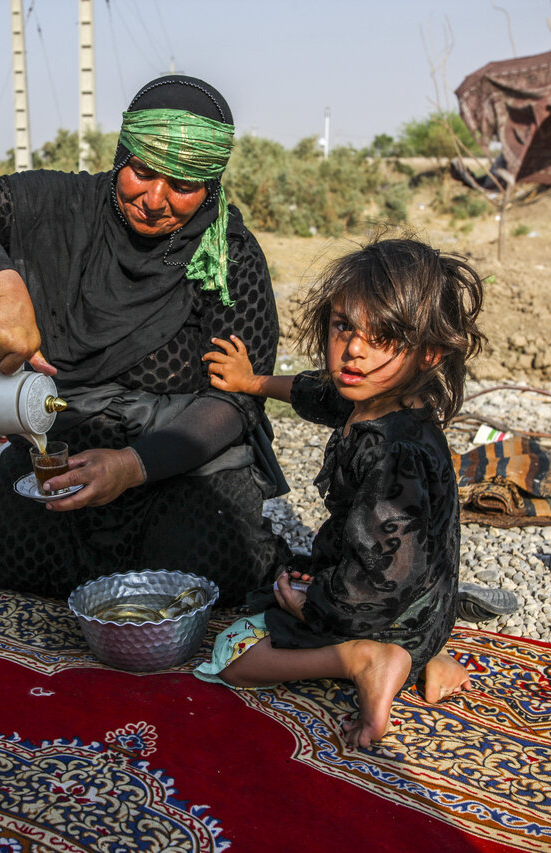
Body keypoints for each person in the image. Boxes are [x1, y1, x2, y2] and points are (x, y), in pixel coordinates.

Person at [0, 75, 289, 606]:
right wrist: (7, 290)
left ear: (211, 184)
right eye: (141, 172)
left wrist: (133, 466)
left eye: (182, 186)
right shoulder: (64, 205)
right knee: (13, 556)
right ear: (123, 154)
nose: (155, 199)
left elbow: (234, 401)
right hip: (66, 440)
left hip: (177, 456)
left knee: (205, 568)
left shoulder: (229, 257)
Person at [194, 237, 485, 749]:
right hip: (425, 603)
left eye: (384, 337)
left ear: (429, 353)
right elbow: (311, 392)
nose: (354, 349)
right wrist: (253, 382)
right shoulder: (372, 398)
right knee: (284, 579)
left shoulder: (395, 452)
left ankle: (365, 660)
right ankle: (424, 655)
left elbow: (382, 576)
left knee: (236, 656)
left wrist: (317, 609)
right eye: (344, 326)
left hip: (381, 605)